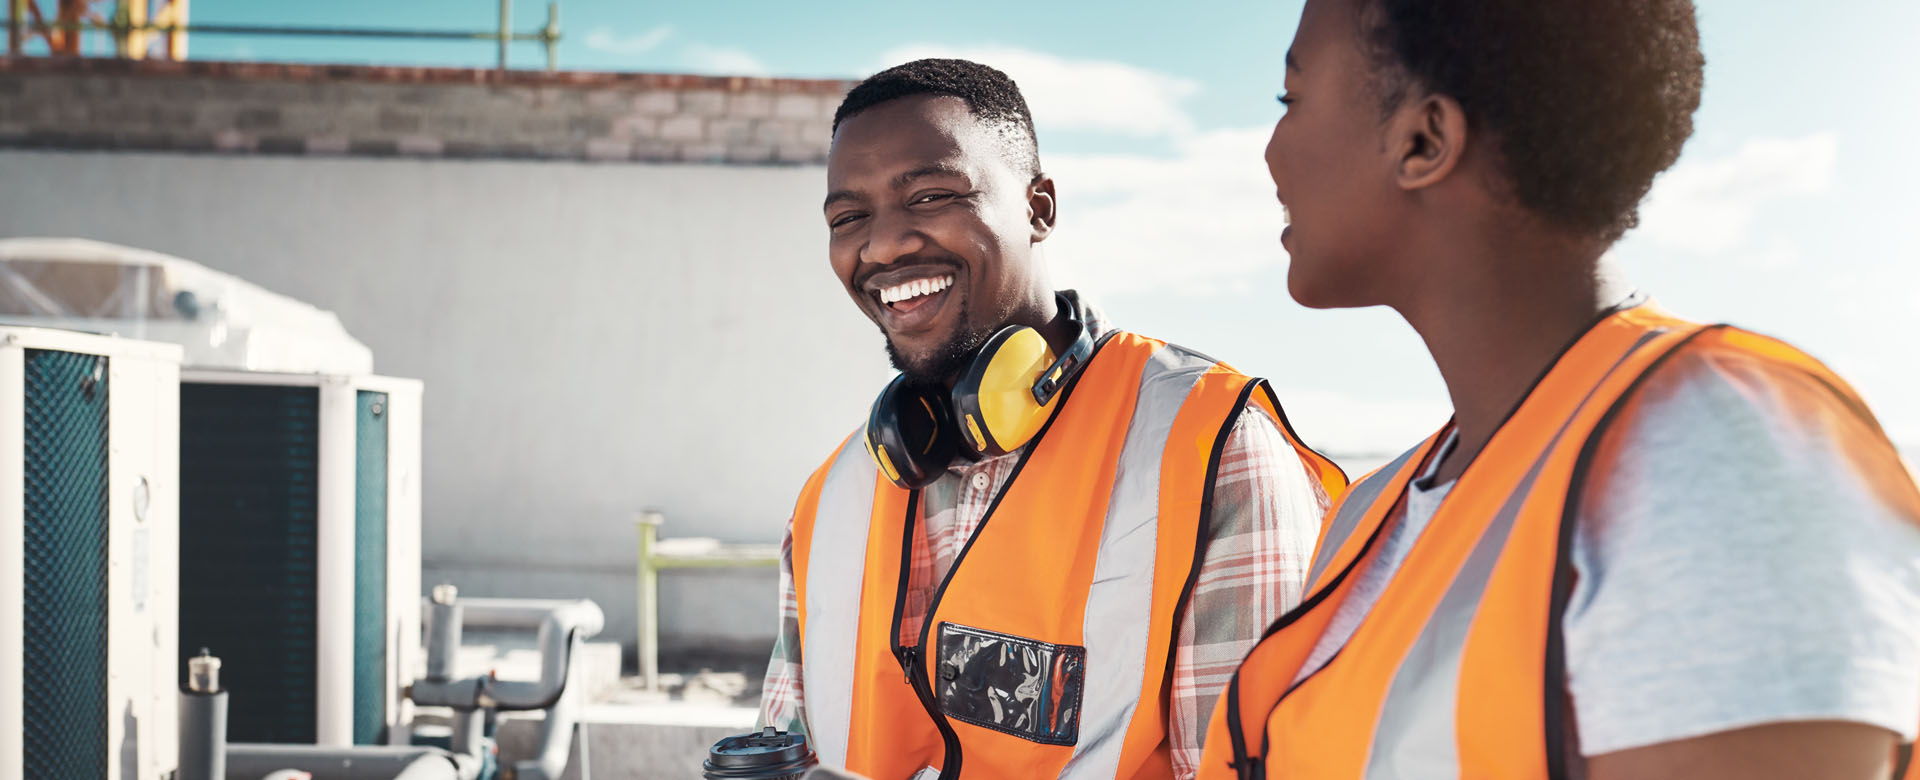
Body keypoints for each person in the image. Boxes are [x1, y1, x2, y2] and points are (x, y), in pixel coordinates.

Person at [1200, 1, 1920, 778]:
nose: (1271, 153)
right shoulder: (1374, 512)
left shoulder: (1717, 453)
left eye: (1291, 100)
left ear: (1423, 140)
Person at [756, 58, 1348, 780]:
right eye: (849, 218)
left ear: (1039, 209)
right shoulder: (830, 501)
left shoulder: (1212, 449)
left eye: (932, 195)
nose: (882, 245)